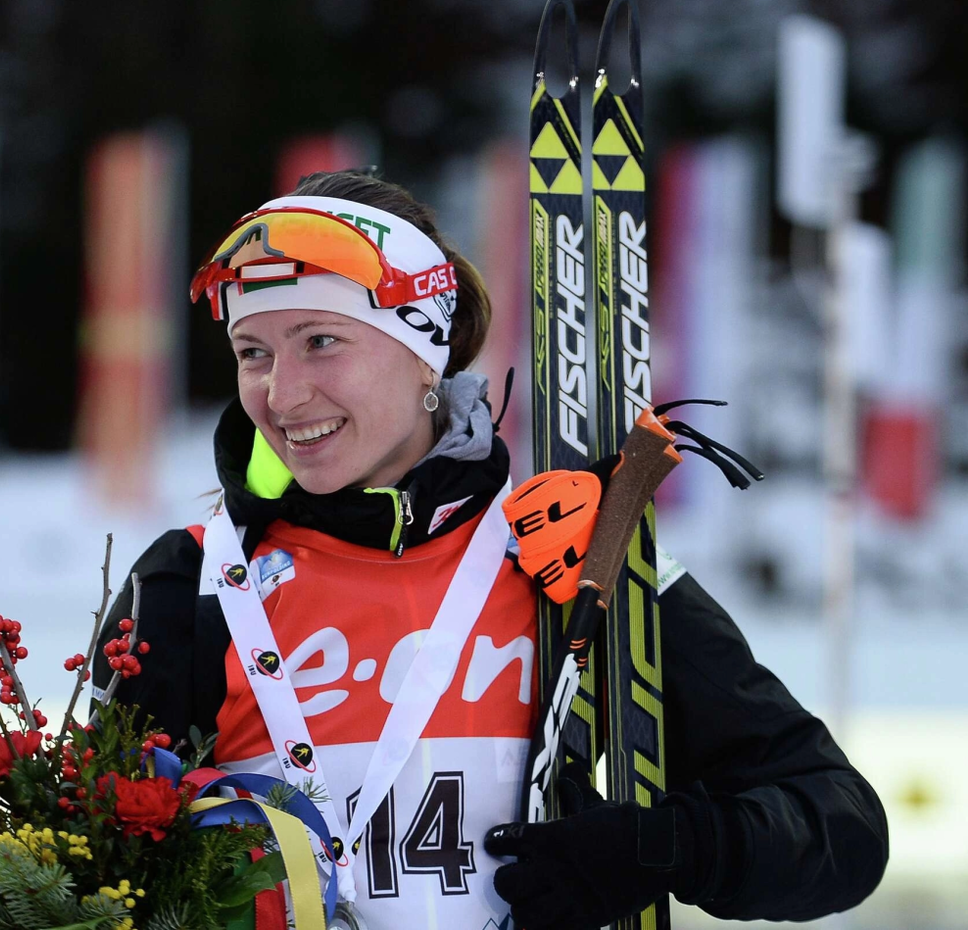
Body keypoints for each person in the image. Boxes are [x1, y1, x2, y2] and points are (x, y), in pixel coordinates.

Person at [94, 169, 888, 930]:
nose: (282, 392)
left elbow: (841, 828)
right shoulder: (193, 585)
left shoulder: (571, 556)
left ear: (426, 352)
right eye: (253, 352)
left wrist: (662, 847)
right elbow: (73, 874)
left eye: (322, 341)